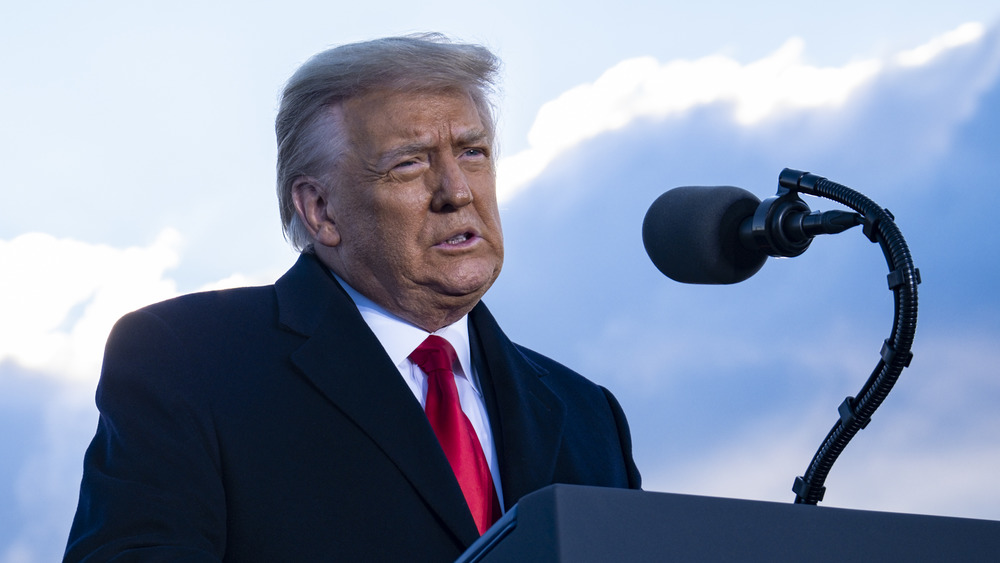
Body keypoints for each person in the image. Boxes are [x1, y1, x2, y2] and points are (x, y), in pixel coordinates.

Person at [64, 33, 641, 562]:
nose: (457, 191)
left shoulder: (589, 414)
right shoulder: (190, 359)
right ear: (321, 211)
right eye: (410, 163)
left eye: (473, 152)